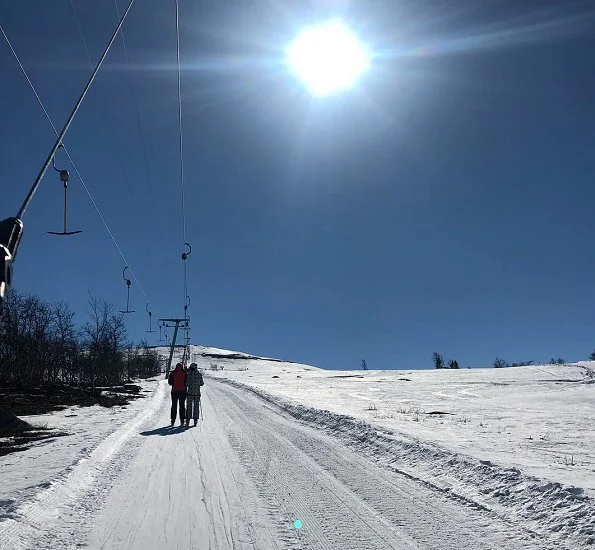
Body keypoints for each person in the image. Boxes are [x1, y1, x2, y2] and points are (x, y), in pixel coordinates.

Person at [185, 362, 204, 426]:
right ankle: (195, 420)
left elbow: (186, 384)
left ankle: (188, 419)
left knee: (189, 406)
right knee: (196, 407)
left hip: (190, 393)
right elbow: (202, 383)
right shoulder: (199, 375)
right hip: (197, 394)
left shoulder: (189, 375)